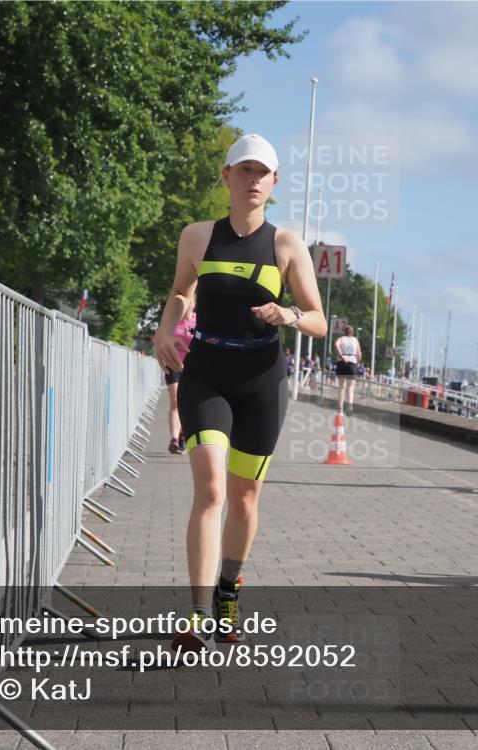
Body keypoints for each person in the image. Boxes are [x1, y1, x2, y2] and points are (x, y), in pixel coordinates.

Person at [153, 133, 326, 651]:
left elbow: (318, 320)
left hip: (261, 380)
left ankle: (228, 589)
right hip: (206, 371)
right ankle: (198, 614)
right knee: (211, 490)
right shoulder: (197, 236)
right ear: (226, 177)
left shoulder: (286, 245)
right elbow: (180, 292)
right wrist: (164, 331)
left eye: (262, 173)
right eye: (244, 170)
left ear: (274, 182)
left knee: (245, 498)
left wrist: (288, 314)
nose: (253, 180)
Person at [165, 302, 196, 454]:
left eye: (190, 302)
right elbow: (161, 341)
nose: (187, 305)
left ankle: (184, 432)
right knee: (175, 402)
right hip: (173, 364)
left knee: (189, 402)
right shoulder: (172, 321)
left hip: (192, 366)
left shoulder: (199, 321)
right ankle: (174, 440)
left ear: (194, 304)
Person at [334, 324, 361, 415]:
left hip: (342, 362)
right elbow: (359, 354)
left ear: (344, 332)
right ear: (352, 332)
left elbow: (336, 345)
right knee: (351, 387)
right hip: (352, 362)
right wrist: (358, 362)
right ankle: (350, 403)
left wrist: (341, 355)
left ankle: (340, 409)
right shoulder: (355, 340)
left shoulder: (341, 339)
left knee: (342, 387)